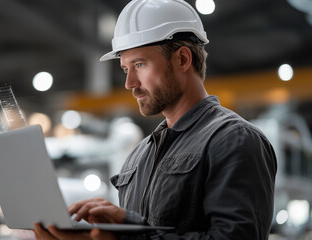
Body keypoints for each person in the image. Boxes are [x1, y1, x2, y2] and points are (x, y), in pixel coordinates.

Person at [33, 0, 277, 239]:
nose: (130, 84)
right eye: (126, 69)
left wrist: (128, 235)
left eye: (140, 64)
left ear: (182, 59)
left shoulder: (234, 140)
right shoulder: (138, 157)